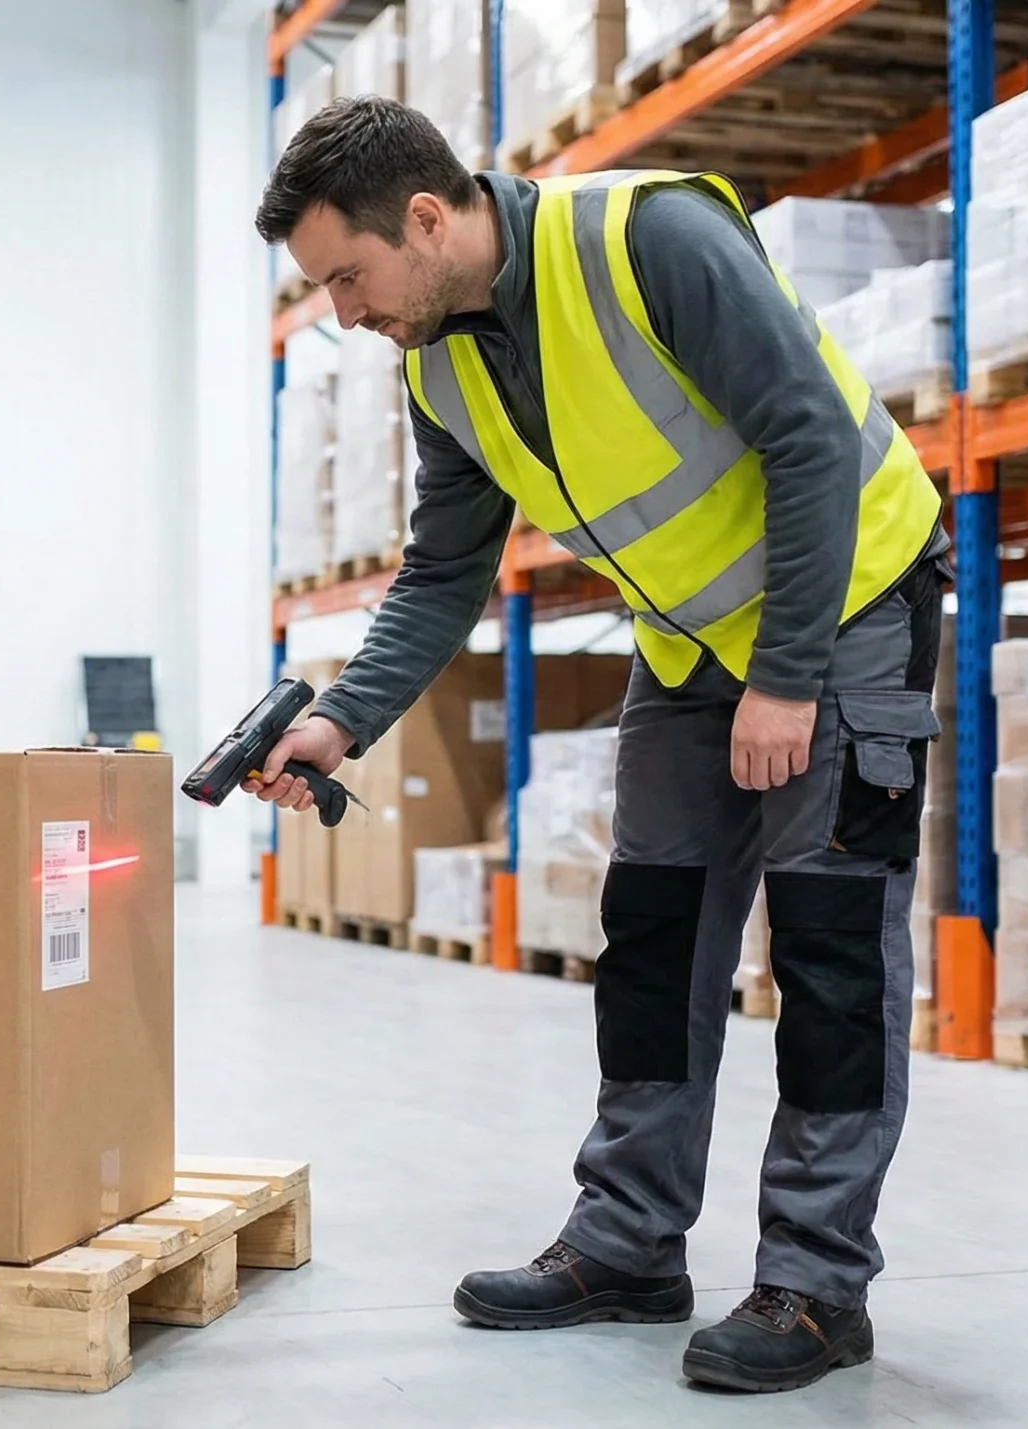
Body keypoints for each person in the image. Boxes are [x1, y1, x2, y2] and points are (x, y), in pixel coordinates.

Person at [247, 96, 950, 1393]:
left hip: (849, 609)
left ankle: (815, 1286)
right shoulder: (441, 365)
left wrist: (787, 678)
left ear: (425, 217)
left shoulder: (648, 239)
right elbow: (444, 571)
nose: (344, 311)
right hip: (691, 647)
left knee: (834, 943)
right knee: (653, 940)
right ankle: (628, 1242)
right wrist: (340, 721)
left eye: (347, 276)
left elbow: (805, 441)